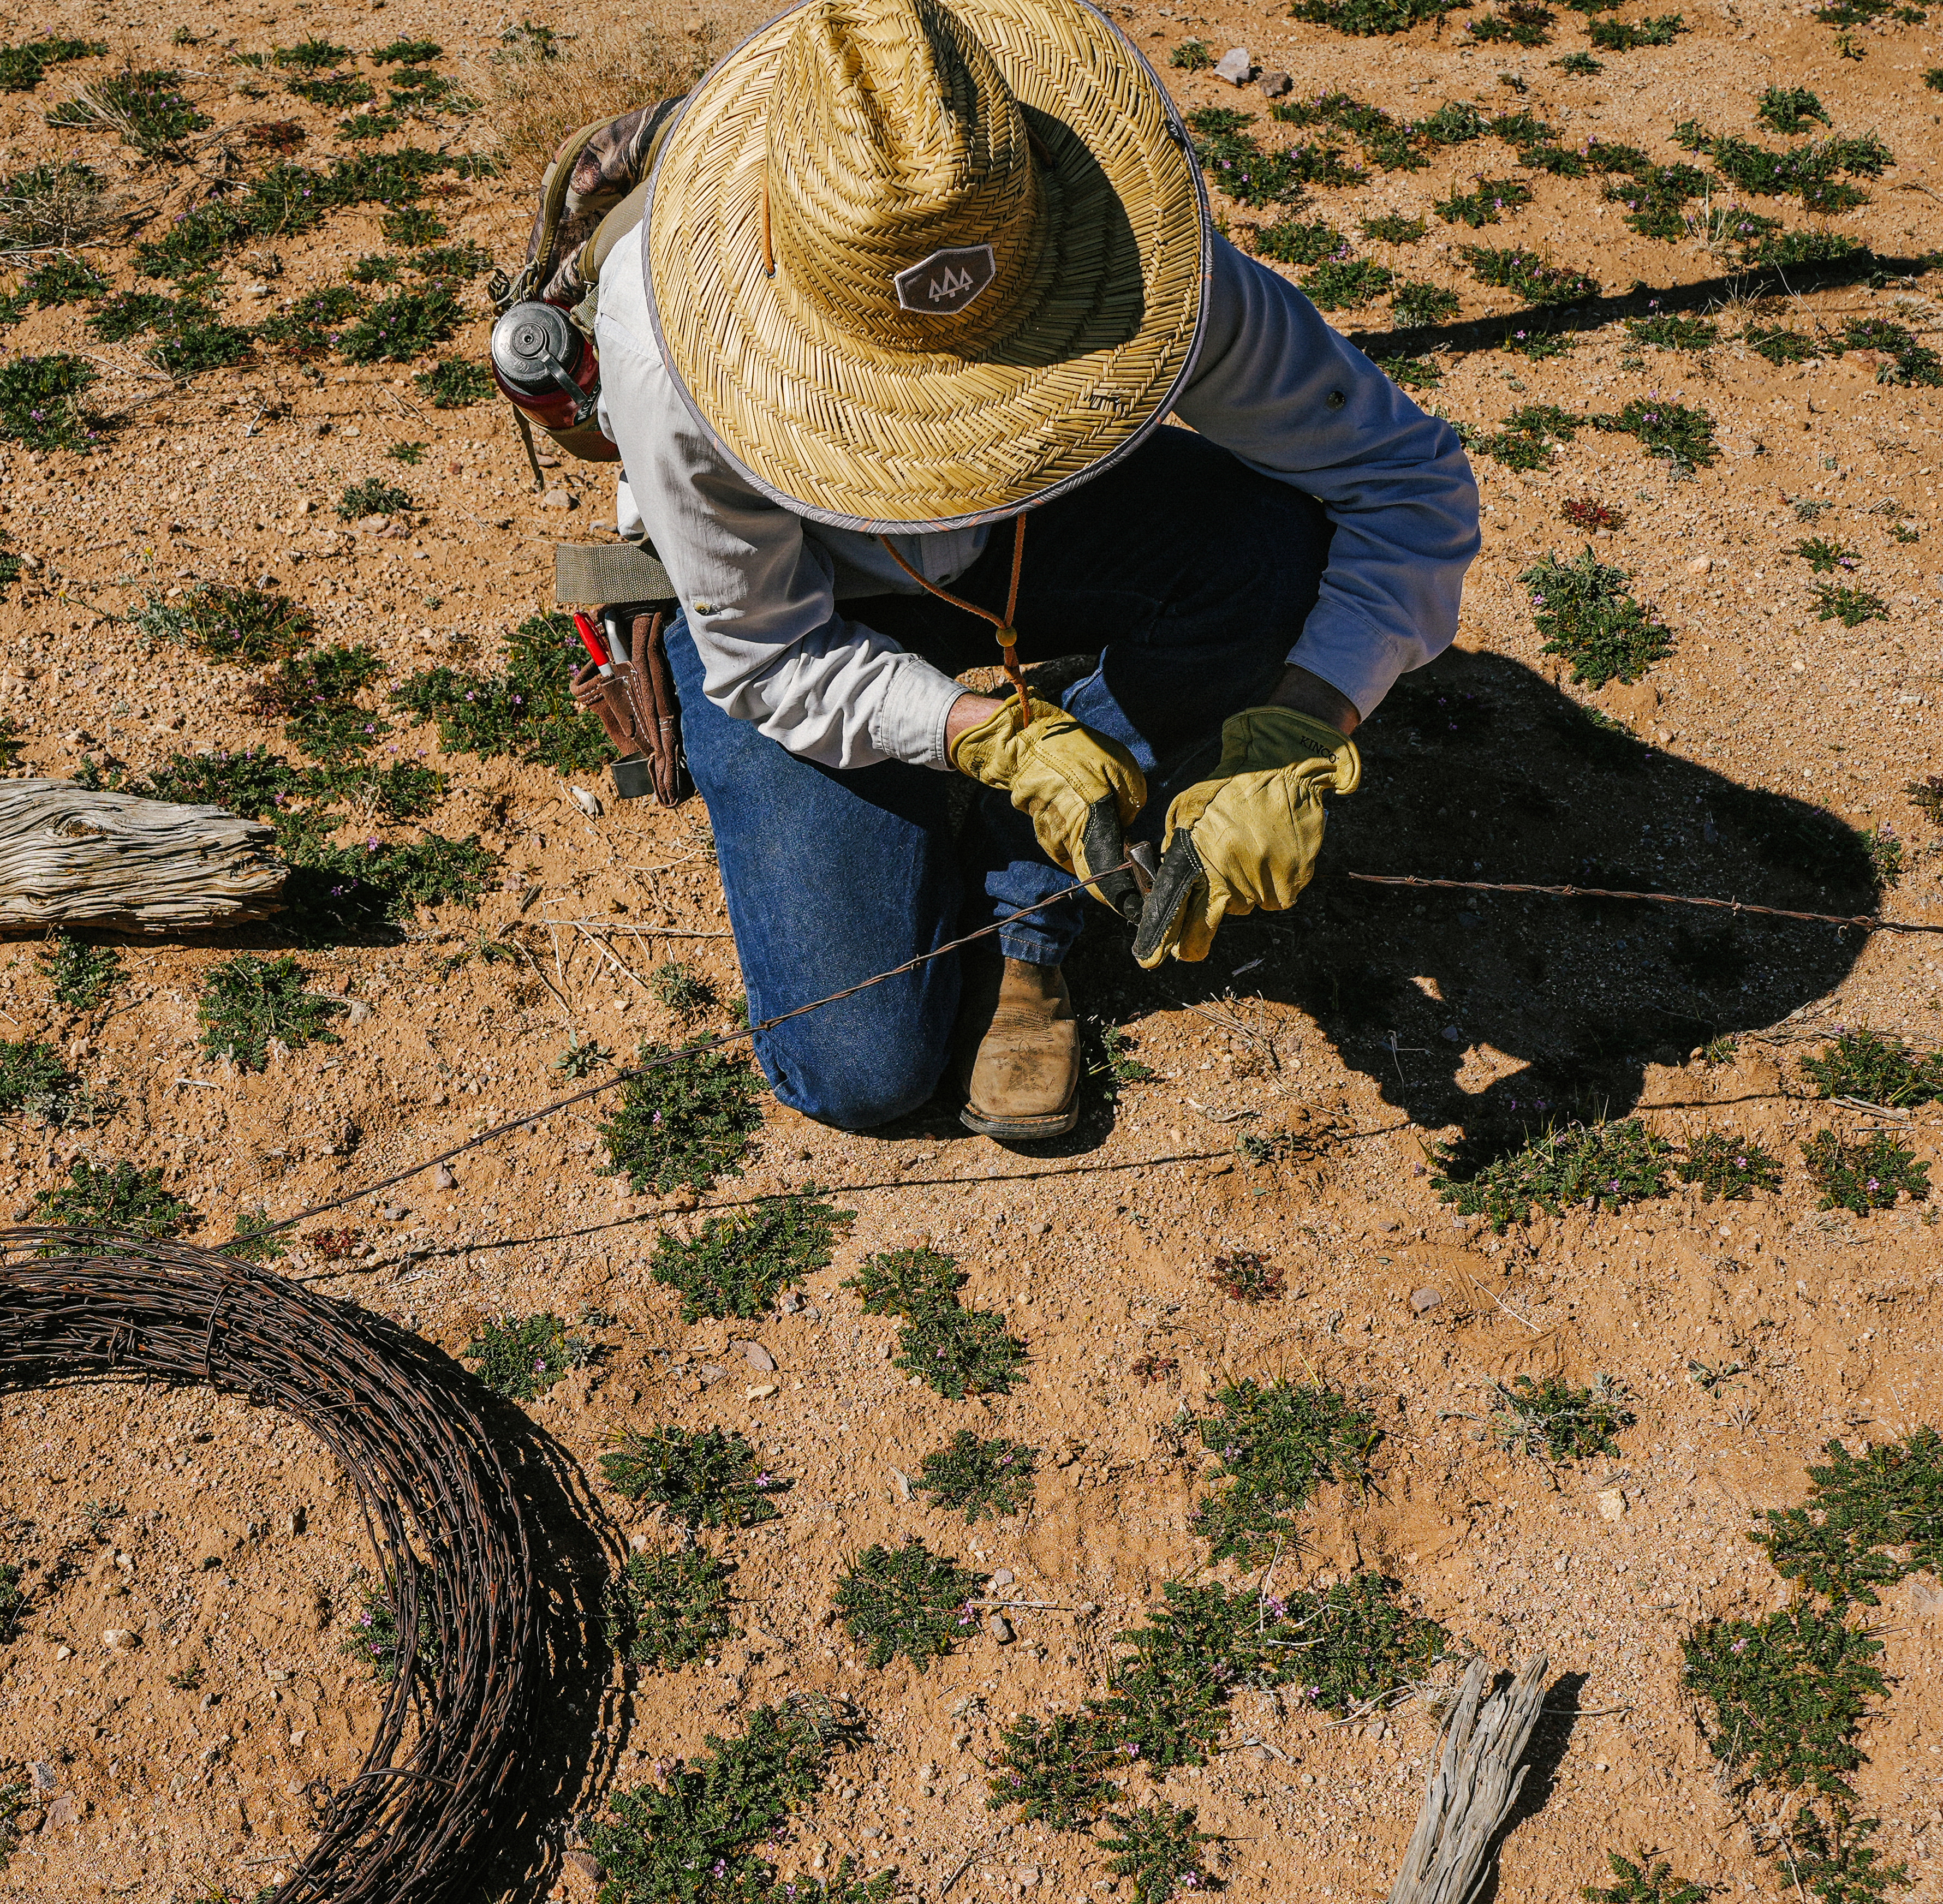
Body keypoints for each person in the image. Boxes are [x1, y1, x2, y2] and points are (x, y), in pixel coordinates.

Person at [591, 0, 1480, 1143]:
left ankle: (1030, 905)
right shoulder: (670, 348)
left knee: (1270, 558)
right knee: (863, 1067)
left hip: (1035, 534)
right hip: (810, 601)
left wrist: (1308, 721)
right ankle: (982, 785)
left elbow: (1409, 485)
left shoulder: (1145, 264)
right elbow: (768, 649)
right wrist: (979, 732)